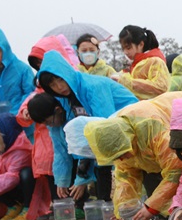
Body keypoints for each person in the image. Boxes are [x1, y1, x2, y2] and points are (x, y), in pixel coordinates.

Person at [84, 91, 182, 220]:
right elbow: (126, 176)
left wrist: (150, 207)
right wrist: (124, 208)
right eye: (116, 157)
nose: (120, 159)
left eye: (121, 154)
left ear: (128, 139)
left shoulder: (154, 131)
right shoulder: (119, 138)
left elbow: (176, 172)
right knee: (149, 172)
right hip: (163, 138)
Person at [36, 50, 138, 202]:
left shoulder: (92, 86)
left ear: (66, 73)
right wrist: (63, 179)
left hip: (134, 125)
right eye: (52, 84)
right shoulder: (66, 99)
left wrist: (82, 177)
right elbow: (73, 140)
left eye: (60, 79)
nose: (59, 86)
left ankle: (116, 207)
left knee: (108, 165)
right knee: (98, 162)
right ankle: (107, 207)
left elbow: (106, 128)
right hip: (114, 134)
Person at [18, 36, 81, 220]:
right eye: (37, 63)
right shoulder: (40, 85)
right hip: (47, 136)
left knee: (70, 165)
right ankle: (58, 206)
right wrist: (26, 112)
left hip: (63, 131)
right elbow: (28, 104)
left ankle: (74, 206)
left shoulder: (69, 80)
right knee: (52, 171)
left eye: (42, 61)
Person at [112, 25, 170, 100]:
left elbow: (161, 87)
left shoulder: (155, 62)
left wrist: (128, 82)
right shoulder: (133, 64)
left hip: (150, 109)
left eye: (128, 48)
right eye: (123, 49)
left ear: (141, 44)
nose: (126, 52)